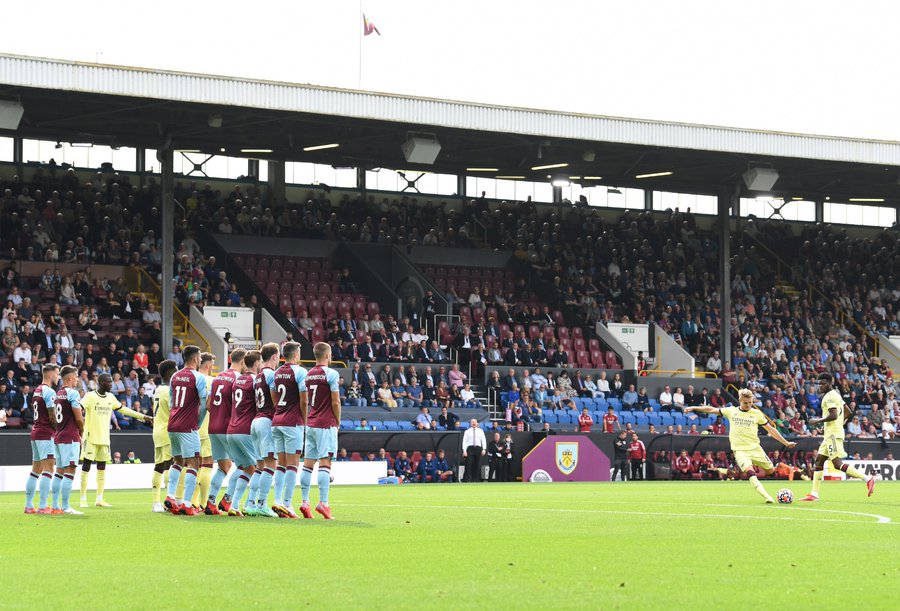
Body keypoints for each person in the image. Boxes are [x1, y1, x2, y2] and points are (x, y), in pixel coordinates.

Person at [685, 388, 797, 503]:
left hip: (755, 449)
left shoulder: (757, 413)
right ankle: (767, 497)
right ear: (740, 401)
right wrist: (693, 408)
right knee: (750, 472)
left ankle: (780, 466)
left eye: (750, 402)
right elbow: (711, 409)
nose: (748, 405)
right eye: (745, 403)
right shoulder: (731, 411)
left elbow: (771, 429)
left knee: (771, 471)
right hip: (740, 451)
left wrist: (786, 443)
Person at [79, 372, 152, 508]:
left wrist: (143, 416)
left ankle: (99, 499)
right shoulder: (90, 397)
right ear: (101, 383)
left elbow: (124, 410)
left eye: (112, 382)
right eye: (109, 382)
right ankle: (83, 498)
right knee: (86, 467)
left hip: (104, 439)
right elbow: (78, 409)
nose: (112, 384)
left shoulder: (111, 397)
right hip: (90, 437)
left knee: (102, 467)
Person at [801, 372, 876, 501]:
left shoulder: (828, 397)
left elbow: (834, 415)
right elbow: (848, 411)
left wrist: (817, 421)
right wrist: (836, 424)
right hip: (831, 432)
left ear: (830, 383)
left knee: (836, 463)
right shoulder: (836, 394)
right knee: (819, 461)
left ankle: (868, 479)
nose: (821, 386)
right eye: (819, 384)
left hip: (833, 435)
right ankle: (814, 493)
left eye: (823, 384)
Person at [163, 345, 209, 516]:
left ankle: (171, 496)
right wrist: (198, 422)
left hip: (173, 424)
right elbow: (204, 404)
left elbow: (171, 401)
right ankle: (188, 504)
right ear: (196, 358)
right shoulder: (198, 377)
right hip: (188, 426)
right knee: (193, 463)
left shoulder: (175, 376)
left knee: (177, 461)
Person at [299, 342, 341, 519]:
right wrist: (337, 422)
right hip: (326, 424)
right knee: (325, 464)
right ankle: (323, 503)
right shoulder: (331, 374)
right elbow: (335, 402)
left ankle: (304, 502)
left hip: (312, 423)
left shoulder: (308, 375)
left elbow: (306, 401)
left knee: (308, 464)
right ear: (327, 355)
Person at [204, 348, 246, 515]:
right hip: (228, 428)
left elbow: (208, 405)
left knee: (224, 466)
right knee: (245, 465)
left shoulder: (218, 377)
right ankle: (227, 500)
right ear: (242, 362)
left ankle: (211, 502)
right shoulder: (238, 379)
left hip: (213, 427)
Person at [271, 342, 308, 519]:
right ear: (296, 354)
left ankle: (277, 500)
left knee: (281, 464)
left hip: (277, 421)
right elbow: (304, 401)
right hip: (293, 423)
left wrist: (279, 409)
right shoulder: (300, 372)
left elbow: (274, 396)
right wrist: (305, 420)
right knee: (293, 464)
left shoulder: (276, 373)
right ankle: (287, 504)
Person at [224, 351, 262, 516]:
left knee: (245, 469)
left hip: (231, 430)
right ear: (256, 363)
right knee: (258, 468)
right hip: (245, 430)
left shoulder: (237, 380)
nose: (261, 365)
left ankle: (234, 505)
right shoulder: (255, 381)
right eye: (260, 362)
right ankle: (250, 503)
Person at [246, 343, 280, 517]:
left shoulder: (258, 376)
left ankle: (250, 503)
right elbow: (275, 400)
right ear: (274, 357)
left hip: (256, 420)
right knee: (270, 464)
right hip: (266, 420)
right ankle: (262, 504)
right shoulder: (271, 375)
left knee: (259, 466)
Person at [24, 364, 60, 514]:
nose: (58, 377)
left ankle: (29, 505)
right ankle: (43, 506)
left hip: (36, 432)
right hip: (46, 433)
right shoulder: (49, 391)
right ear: (51, 375)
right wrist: (60, 429)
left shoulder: (37, 390)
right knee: (49, 469)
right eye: (57, 374)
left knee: (35, 470)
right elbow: (52, 416)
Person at [51, 366, 84, 514]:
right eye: (76, 377)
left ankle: (55, 506)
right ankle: (65, 506)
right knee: (70, 471)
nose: (77, 380)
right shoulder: (73, 393)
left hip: (58, 436)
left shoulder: (58, 394)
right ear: (70, 378)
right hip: (70, 436)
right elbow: (78, 417)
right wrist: (82, 431)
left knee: (59, 471)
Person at [150, 360, 177, 513]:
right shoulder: (169, 391)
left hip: (157, 431)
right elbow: (174, 410)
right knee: (169, 465)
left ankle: (155, 503)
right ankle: (169, 501)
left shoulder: (158, 390)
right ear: (170, 373)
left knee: (159, 466)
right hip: (167, 431)